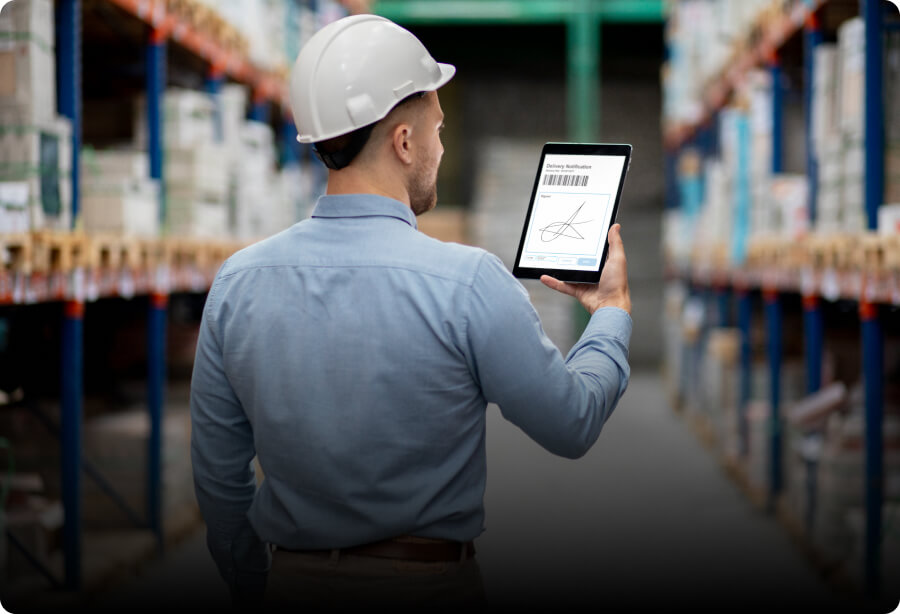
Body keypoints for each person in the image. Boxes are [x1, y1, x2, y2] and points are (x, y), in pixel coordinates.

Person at [190, 13, 632, 613]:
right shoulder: (469, 283)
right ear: (403, 141)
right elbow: (571, 423)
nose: (441, 146)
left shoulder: (238, 284)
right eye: (438, 130)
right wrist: (609, 313)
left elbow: (220, 480)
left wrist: (256, 582)